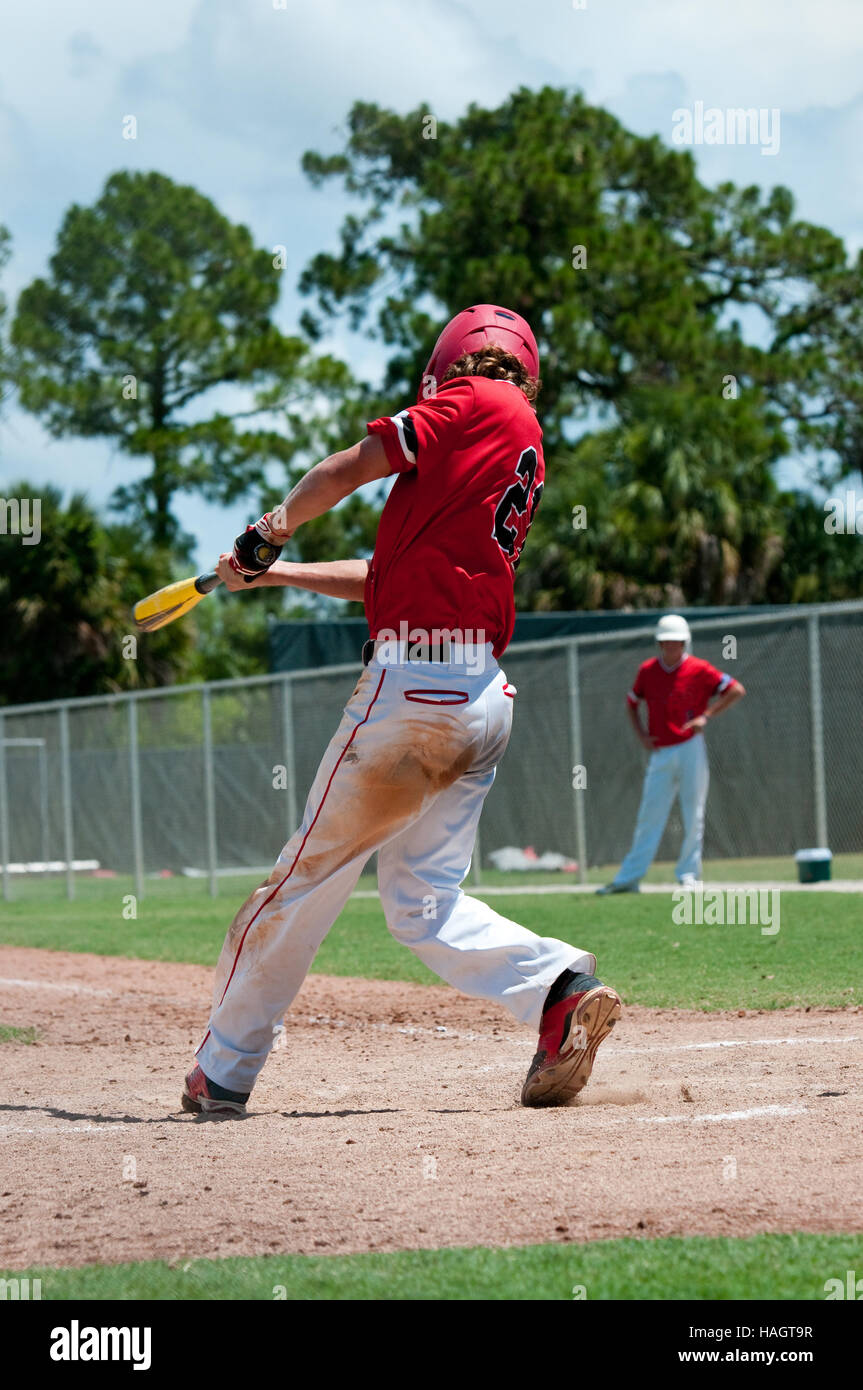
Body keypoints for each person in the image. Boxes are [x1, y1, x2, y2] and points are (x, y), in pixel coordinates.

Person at [181, 304, 621, 1117]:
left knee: (301, 883)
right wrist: (276, 573)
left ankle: (224, 1069)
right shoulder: (511, 434)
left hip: (411, 692)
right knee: (423, 904)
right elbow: (384, 571)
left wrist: (267, 529)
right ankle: (558, 989)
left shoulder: (473, 401)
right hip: (477, 695)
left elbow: (352, 465)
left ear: (454, 362)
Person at [597, 614, 745, 894]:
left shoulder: (699, 669)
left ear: (684, 642)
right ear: (659, 644)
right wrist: (641, 735)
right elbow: (631, 703)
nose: (670, 647)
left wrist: (707, 716)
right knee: (648, 815)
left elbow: (735, 690)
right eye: (665, 642)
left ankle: (689, 875)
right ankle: (629, 878)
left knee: (694, 813)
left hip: (691, 746)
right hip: (661, 752)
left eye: (675, 642)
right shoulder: (648, 671)